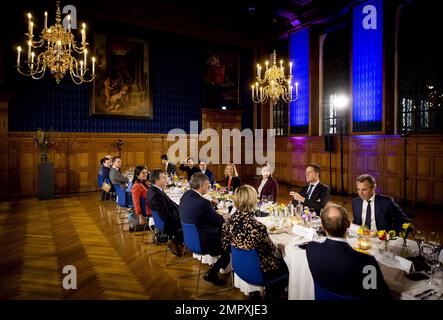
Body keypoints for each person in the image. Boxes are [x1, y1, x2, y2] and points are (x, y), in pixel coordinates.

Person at [306, 204, 392, 299]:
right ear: (348, 224)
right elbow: (380, 295)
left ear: (322, 227)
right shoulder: (366, 261)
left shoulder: (311, 248)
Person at [222, 185, 288, 295]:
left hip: (240, 268)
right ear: (252, 201)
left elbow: (225, 246)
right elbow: (272, 251)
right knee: (290, 265)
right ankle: (272, 293)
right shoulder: (257, 226)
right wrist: (282, 248)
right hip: (260, 272)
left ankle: (261, 293)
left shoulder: (229, 222)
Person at [179, 173, 230, 286]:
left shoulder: (185, 196)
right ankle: (213, 272)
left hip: (189, 239)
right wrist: (224, 217)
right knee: (230, 244)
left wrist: (211, 207)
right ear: (201, 185)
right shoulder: (202, 203)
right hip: (203, 242)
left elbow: (200, 213)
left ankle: (218, 270)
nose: (208, 187)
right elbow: (219, 221)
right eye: (207, 185)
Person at [147, 170, 183, 256]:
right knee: (193, 221)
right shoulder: (156, 194)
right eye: (163, 178)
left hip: (166, 219)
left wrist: (181, 209)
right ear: (156, 180)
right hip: (167, 223)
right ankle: (175, 242)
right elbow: (166, 215)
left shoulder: (155, 190)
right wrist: (181, 216)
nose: (166, 180)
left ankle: (180, 241)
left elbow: (170, 204)